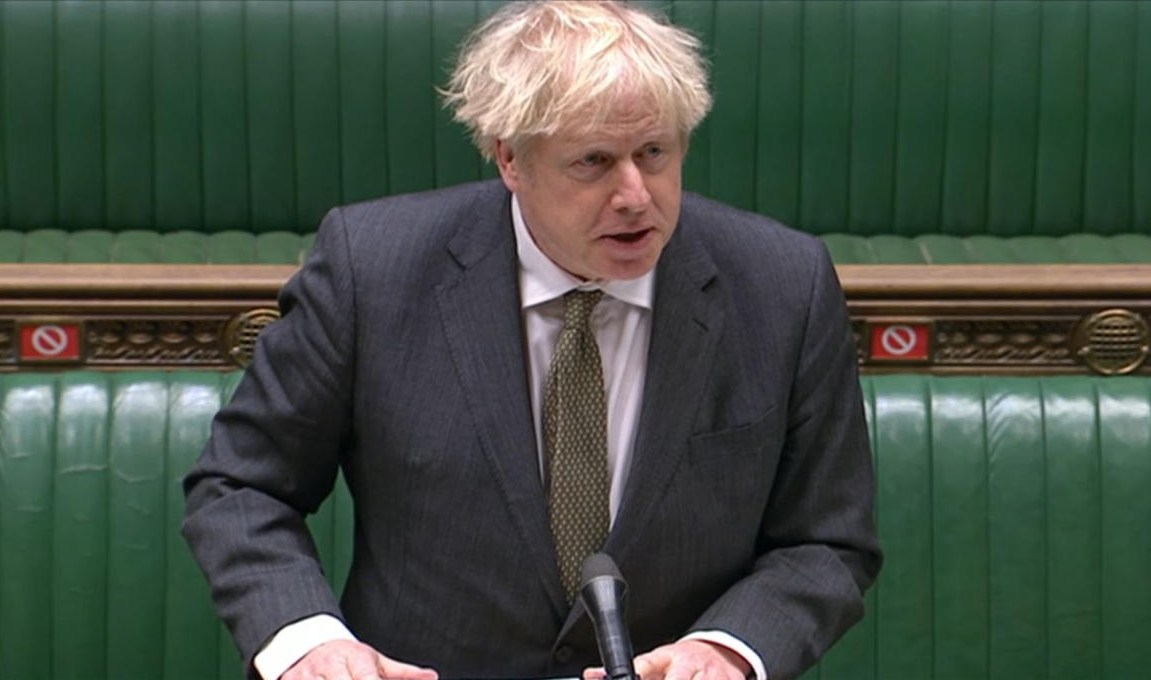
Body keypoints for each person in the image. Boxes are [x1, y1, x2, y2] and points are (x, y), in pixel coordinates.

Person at [182, 2, 881, 680]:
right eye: (594, 162)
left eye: (655, 152)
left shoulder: (783, 285)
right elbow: (242, 485)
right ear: (511, 159)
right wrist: (308, 645)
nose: (636, 194)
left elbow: (825, 539)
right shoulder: (374, 270)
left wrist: (731, 649)